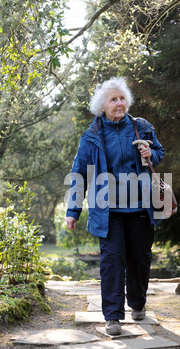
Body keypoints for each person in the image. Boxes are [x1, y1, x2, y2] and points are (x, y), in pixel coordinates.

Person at [65, 77, 165, 335]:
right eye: (113, 99)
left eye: (122, 98)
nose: (119, 103)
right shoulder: (91, 136)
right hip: (107, 211)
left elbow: (159, 152)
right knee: (112, 261)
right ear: (103, 106)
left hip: (141, 207)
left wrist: (150, 154)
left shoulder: (141, 127)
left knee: (140, 259)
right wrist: (72, 211)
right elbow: (79, 174)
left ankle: (138, 304)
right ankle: (112, 317)